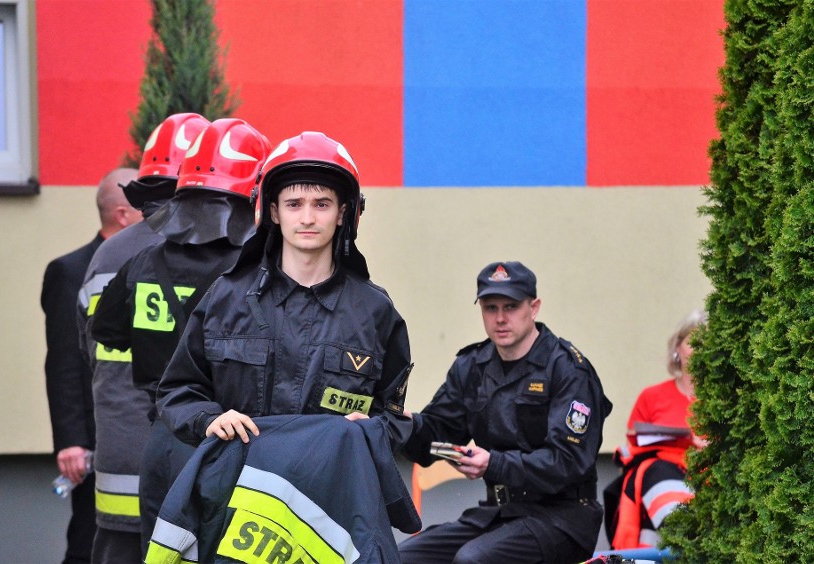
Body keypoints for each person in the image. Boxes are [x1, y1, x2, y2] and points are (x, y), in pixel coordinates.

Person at [155, 131, 414, 453]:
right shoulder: (226, 298)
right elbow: (179, 390)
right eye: (294, 204)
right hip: (237, 487)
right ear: (273, 212)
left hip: (329, 493)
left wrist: (373, 430)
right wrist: (209, 419)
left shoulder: (375, 312)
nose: (307, 218)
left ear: (343, 214)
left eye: (322, 204)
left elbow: (393, 417)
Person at [90, 117, 271, 558]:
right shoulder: (250, 271)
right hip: (230, 444)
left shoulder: (143, 261)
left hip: (164, 441)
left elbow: (106, 331)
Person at [399, 261, 612, 564]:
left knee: (474, 560)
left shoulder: (567, 369)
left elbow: (568, 461)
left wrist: (495, 464)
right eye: (490, 308)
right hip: (498, 513)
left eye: (511, 307)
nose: (500, 318)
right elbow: (437, 433)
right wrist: (400, 424)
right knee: (399, 557)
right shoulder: (473, 365)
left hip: (563, 518)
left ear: (534, 307)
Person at [76, 113, 210, 562]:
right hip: (192, 454)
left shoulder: (111, 252)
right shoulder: (227, 255)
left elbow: (90, 346)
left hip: (120, 458)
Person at [41, 167, 141, 564]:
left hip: (131, 431)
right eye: (145, 208)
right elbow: (65, 360)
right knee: (89, 540)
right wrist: (70, 440)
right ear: (121, 215)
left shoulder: (152, 265)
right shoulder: (71, 271)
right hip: (93, 439)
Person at [605, 309, 707, 550]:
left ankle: (683, 538)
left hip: (706, 477)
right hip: (660, 478)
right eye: (692, 341)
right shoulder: (652, 397)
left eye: (706, 342)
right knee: (653, 469)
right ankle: (683, 533)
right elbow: (635, 446)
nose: (699, 349)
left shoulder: (725, 402)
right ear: (677, 349)